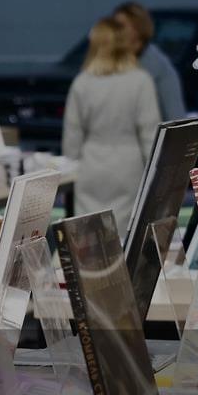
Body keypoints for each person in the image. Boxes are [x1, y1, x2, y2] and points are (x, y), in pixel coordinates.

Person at [63, 16, 161, 233]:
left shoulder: (82, 82)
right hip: (129, 166)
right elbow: (150, 135)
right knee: (125, 235)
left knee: (90, 236)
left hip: (91, 167)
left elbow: (72, 137)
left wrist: (72, 166)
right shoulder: (141, 81)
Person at [112, 1, 186, 122]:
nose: (115, 32)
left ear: (137, 29)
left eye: (121, 26)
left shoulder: (159, 69)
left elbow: (176, 118)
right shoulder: (114, 62)